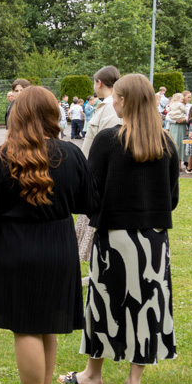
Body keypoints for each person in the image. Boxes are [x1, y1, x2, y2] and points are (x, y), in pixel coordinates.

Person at [0, 87, 96, 384]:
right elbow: (89, 202)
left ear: (17, 115)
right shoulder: (71, 154)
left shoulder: (0, 158)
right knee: (46, 324)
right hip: (59, 247)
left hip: (16, 248)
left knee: (26, 328)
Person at [60, 74, 179, 384]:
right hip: (153, 240)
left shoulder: (108, 140)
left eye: (115, 97)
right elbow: (172, 198)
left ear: (124, 100)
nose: (111, 100)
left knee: (104, 303)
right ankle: (133, 383)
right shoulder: (166, 143)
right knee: (147, 306)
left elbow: (90, 191)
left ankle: (92, 374)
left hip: (114, 237)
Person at [76, 66, 121, 272]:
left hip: (100, 173)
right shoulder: (105, 105)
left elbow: (107, 144)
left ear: (99, 82)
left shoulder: (111, 107)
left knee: (97, 229)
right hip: (91, 170)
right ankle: (96, 271)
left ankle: (101, 271)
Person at [165, 92, 187, 169]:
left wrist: (185, 119)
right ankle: (176, 164)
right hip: (175, 126)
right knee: (175, 144)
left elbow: (189, 116)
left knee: (181, 144)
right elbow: (168, 117)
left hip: (183, 126)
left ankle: (180, 164)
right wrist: (176, 121)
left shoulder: (172, 105)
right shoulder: (179, 105)